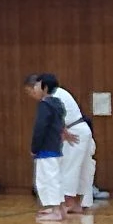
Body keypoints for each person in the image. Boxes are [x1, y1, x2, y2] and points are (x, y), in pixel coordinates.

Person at [45, 76, 95, 214]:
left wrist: (63, 132)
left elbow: (56, 118)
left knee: (69, 168)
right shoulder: (61, 93)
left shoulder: (52, 97)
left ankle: (68, 203)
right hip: (81, 129)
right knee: (83, 169)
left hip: (74, 131)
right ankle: (78, 203)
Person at [27, 74, 68, 223]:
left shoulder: (45, 105)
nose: (35, 89)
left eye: (37, 86)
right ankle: (61, 208)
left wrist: (34, 147)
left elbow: (40, 128)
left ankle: (56, 211)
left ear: (44, 88)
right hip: (55, 147)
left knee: (48, 180)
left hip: (46, 148)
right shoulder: (57, 104)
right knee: (55, 178)